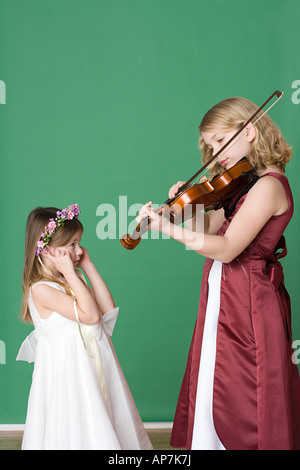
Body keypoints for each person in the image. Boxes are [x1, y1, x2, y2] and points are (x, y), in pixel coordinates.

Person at [136, 96, 300, 450]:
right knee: (215, 384)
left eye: (222, 141)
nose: (216, 154)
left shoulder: (269, 185)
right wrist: (185, 208)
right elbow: (211, 231)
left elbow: (227, 249)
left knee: (246, 393)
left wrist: (167, 229)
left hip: (250, 305)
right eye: (210, 147)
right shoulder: (242, 184)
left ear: (250, 130)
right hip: (224, 298)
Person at [17, 204, 153, 451]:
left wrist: (86, 267)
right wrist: (70, 273)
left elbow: (106, 308)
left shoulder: (71, 279)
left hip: (93, 366)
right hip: (70, 373)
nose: (79, 250)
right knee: (79, 425)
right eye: (72, 245)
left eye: (79, 243)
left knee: (105, 415)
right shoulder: (41, 289)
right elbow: (91, 317)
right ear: (48, 251)